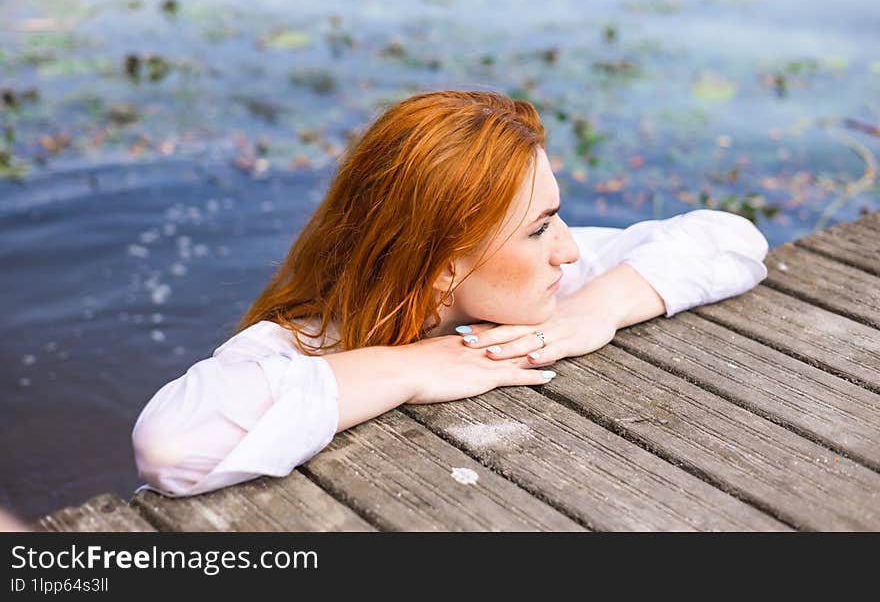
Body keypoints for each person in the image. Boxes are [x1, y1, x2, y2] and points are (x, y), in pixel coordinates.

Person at [132, 90, 769, 497]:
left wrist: (592, 312)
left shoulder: (546, 286)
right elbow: (171, 447)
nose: (569, 249)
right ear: (441, 267)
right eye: (540, 227)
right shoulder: (303, 342)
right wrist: (412, 365)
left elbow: (731, 238)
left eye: (557, 215)